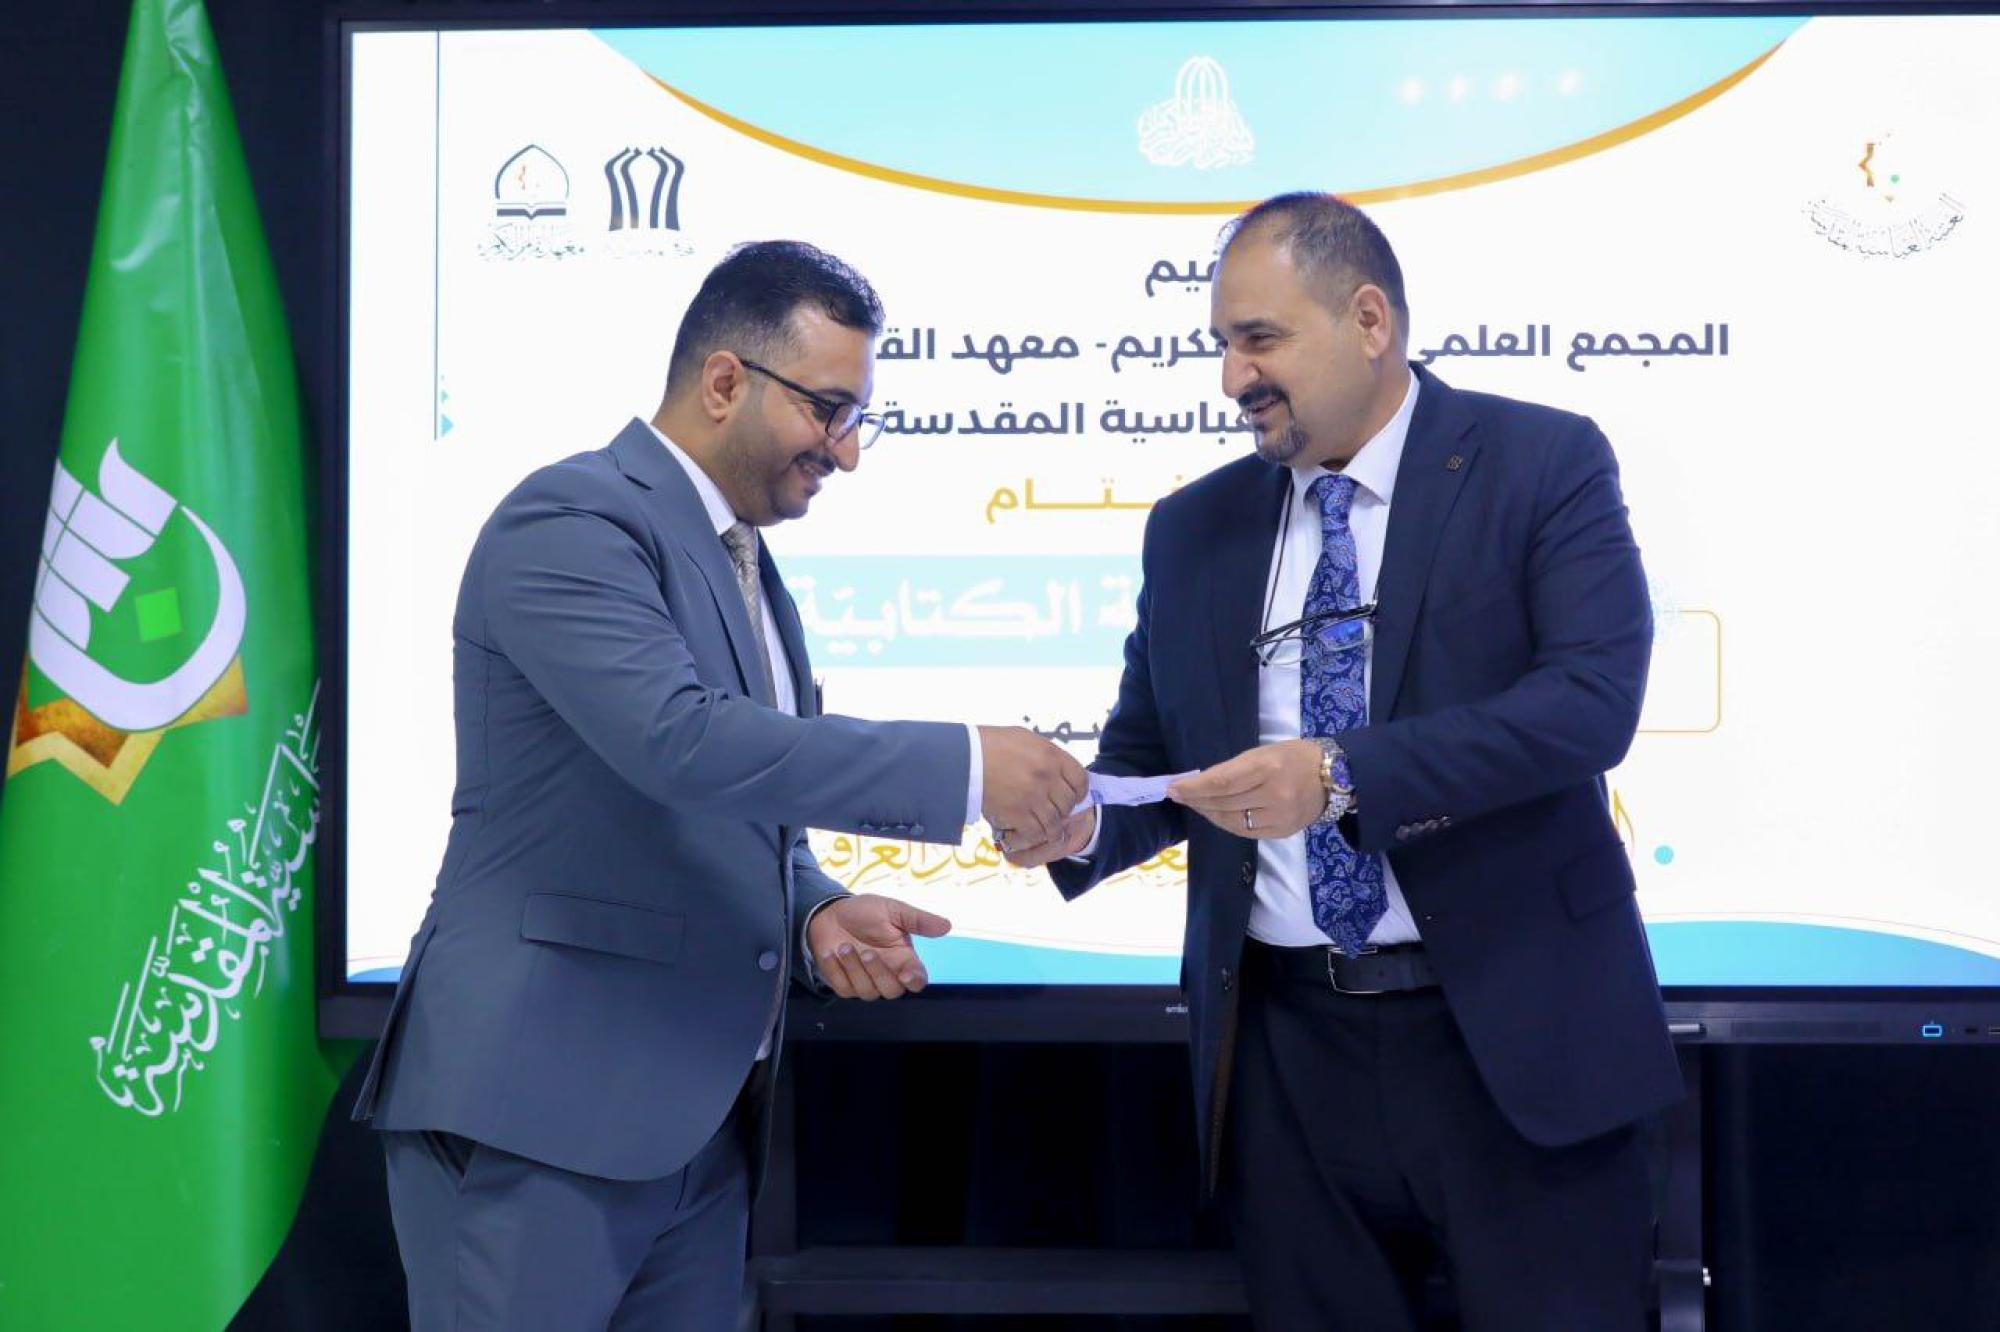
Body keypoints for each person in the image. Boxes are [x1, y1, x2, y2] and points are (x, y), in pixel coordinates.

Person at [353, 240, 1085, 1330]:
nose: (846, 452)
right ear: (725, 381)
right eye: (829, 410)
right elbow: (679, 743)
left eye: (859, 418)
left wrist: (813, 909)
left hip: (695, 1131)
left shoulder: (742, 558)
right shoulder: (570, 520)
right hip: (539, 1114)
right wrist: (968, 769)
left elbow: (733, 807)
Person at [1003, 193, 1683, 1330]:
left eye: (1259, 340)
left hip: (1511, 1035)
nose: (1233, 378)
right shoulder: (1193, 527)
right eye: (1223, 345)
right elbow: (1154, 757)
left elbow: (1588, 704)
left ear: (1369, 320)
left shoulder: (1540, 461)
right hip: (1282, 1061)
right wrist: (1080, 822)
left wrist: (1338, 775)